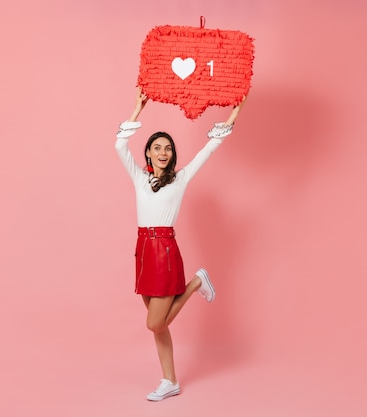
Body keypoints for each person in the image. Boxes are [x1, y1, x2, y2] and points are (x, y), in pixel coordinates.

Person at [115, 88, 246, 401]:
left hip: (164, 251)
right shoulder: (139, 178)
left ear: (172, 155)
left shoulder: (181, 178)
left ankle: (196, 282)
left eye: (168, 148)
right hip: (143, 251)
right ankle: (170, 380)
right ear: (148, 153)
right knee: (160, 327)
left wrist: (233, 115)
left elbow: (208, 149)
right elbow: (120, 144)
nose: (163, 152)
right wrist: (137, 109)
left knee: (154, 322)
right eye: (157, 147)